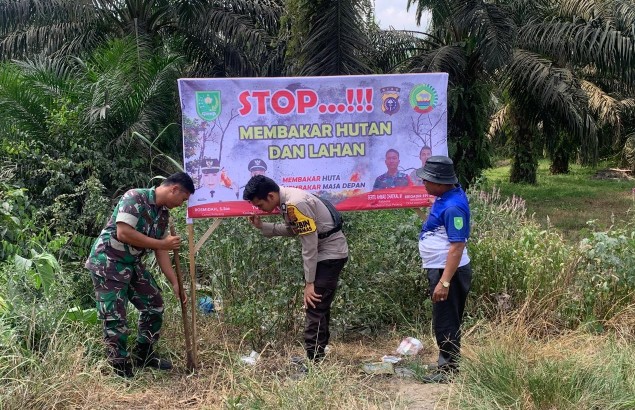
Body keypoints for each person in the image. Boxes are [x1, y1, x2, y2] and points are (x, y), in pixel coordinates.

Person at [85, 172, 195, 378]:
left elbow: (161, 251)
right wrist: (163, 243)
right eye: (183, 199)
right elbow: (123, 233)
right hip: (108, 261)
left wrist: (175, 283)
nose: (181, 204)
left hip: (132, 263)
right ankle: (118, 366)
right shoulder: (135, 197)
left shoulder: (163, 214)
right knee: (115, 316)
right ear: (174, 189)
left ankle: (144, 355)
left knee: (154, 303)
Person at [243, 175, 348, 362]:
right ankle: (317, 356)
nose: (260, 210)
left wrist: (309, 283)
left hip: (329, 254)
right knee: (320, 307)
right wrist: (262, 226)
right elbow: (294, 230)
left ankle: (313, 360)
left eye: (260, 205)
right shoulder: (287, 200)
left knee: (313, 304)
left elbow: (309, 245)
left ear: (270, 196)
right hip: (327, 252)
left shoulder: (295, 203)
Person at [416, 156, 472, 383]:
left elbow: (457, 246)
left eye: (427, 180)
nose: (424, 184)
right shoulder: (445, 197)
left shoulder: (453, 207)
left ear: (440, 182)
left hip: (448, 272)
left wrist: (445, 282)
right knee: (445, 318)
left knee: (446, 320)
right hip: (441, 268)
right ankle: (447, 362)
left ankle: (448, 371)